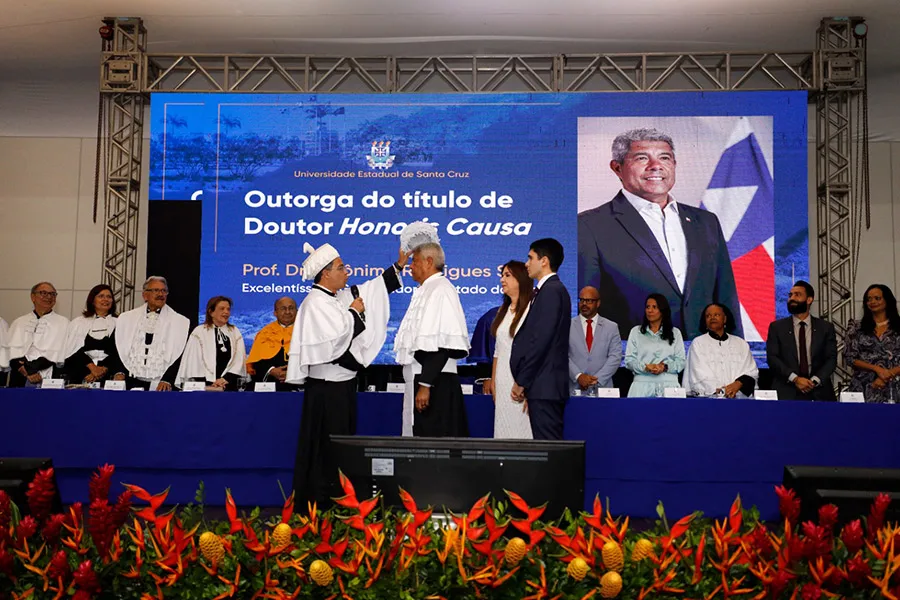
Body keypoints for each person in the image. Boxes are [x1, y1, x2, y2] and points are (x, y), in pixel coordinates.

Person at [577, 127, 741, 339]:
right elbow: (587, 309)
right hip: (635, 362)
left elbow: (726, 298)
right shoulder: (590, 225)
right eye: (642, 158)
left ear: (674, 165)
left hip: (705, 360)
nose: (656, 166)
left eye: (664, 157)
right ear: (617, 168)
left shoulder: (706, 222)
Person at [288, 242, 408, 505]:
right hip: (327, 391)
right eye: (341, 268)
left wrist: (398, 266)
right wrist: (355, 311)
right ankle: (322, 503)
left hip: (340, 387)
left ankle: (338, 500)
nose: (347, 272)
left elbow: (374, 290)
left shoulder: (333, 298)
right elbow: (336, 340)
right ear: (325, 273)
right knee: (325, 450)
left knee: (338, 447)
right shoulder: (316, 303)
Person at [395, 242, 470, 438]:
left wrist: (426, 384)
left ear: (429, 262)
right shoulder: (426, 288)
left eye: (415, 261)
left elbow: (442, 343)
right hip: (424, 378)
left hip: (436, 380)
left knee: (435, 445)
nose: (411, 266)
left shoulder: (441, 289)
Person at [510, 238, 571, 440]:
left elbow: (540, 341)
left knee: (549, 451)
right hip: (543, 386)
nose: (527, 263)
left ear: (544, 261)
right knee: (547, 449)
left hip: (545, 386)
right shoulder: (548, 290)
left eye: (530, 258)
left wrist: (522, 381)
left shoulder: (552, 291)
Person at [112, 276, 190, 391]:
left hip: (163, 383)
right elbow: (117, 347)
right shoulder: (126, 318)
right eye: (156, 290)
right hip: (131, 381)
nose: (161, 294)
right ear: (145, 295)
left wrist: (167, 378)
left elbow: (182, 354)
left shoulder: (180, 322)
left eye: (164, 291)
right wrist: (119, 371)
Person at [765, 280, 837, 401]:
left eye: (797, 295)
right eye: (790, 295)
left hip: (818, 391)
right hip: (787, 391)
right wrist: (795, 379)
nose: (792, 298)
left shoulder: (825, 328)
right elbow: (773, 358)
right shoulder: (777, 327)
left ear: (809, 300)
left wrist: (813, 381)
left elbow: (831, 359)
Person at [489, 260, 533, 439]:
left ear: (521, 279)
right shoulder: (503, 310)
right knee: (503, 432)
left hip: (521, 383)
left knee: (522, 433)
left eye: (507, 275)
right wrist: (493, 381)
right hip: (502, 381)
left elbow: (533, 352)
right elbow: (498, 351)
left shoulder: (532, 310)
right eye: (502, 275)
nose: (502, 280)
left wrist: (530, 388)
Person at [683, 303, 758, 398]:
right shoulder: (698, 343)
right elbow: (699, 373)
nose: (712, 318)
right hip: (709, 401)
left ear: (725, 319)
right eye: (708, 316)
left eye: (716, 315)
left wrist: (738, 384)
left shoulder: (741, 344)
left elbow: (751, 372)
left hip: (738, 400)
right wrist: (722, 391)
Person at [4, 282, 69, 388]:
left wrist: (32, 369)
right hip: (20, 377)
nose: (48, 297)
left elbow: (59, 353)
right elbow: (10, 351)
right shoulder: (19, 322)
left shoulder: (64, 323)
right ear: (33, 297)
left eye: (52, 294)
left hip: (50, 377)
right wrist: (24, 369)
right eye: (43, 293)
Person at [844, 284, 900, 403]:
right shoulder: (856, 326)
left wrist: (887, 375)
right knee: (862, 421)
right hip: (863, 386)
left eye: (877, 298)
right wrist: (876, 369)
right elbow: (849, 357)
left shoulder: (899, 326)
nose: (872, 302)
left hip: (895, 386)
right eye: (868, 299)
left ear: (887, 300)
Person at [176, 296, 247, 391]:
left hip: (229, 386)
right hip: (204, 388)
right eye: (222, 309)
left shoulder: (234, 331)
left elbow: (239, 360)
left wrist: (225, 379)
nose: (226, 312)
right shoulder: (199, 331)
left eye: (228, 309)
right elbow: (194, 362)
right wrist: (209, 385)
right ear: (211, 312)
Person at [624, 293, 685, 397]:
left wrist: (664, 367)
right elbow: (629, 361)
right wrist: (646, 367)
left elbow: (681, 361)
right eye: (647, 307)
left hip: (669, 386)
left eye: (654, 307)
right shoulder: (636, 332)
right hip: (641, 386)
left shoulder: (675, 333)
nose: (650, 310)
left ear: (663, 310)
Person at [568, 286, 622, 395]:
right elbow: (561, 354)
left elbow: (615, 357)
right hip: (574, 389)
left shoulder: (611, 327)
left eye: (589, 301)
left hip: (603, 388)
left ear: (598, 303)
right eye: (581, 300)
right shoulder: (567, 325)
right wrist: (579, 376)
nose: (584, 304)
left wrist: (597, 379)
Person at [63, 284, 121, 384]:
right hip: (82, 372)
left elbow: (121, 352)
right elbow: (70, 350)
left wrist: (102, 369)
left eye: (109, 297)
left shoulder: (120, 323)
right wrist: (91, 368)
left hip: (109, 373)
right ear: (92, 300)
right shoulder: (78, 322)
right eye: (101, 296)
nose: (105, 299)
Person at [246, 296, 298, 391]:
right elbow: (256, 361)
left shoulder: (306, 332)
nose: (287, 312)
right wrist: (271, 370)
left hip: (299, 385)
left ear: (297, 311)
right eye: (283, 308)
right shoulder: (265, 333)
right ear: (275, 313)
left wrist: (293, 372)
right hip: (269, 385)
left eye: (291, 308)